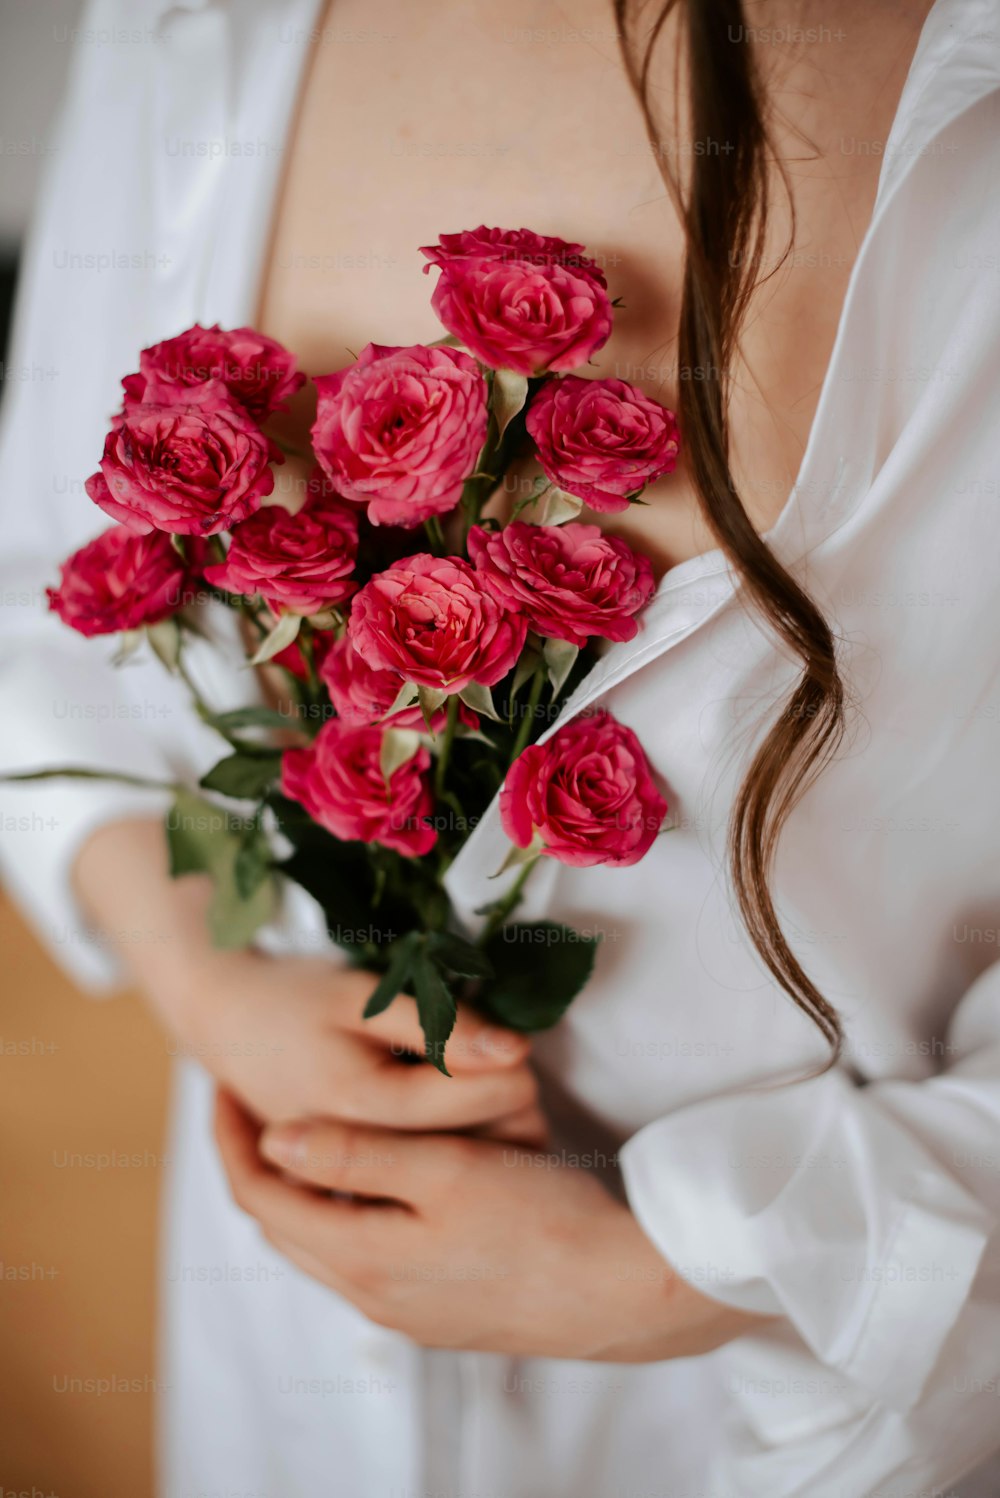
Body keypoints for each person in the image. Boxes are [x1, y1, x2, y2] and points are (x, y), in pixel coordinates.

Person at [2, 0, 1000, 1493]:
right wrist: (210, 974)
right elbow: (35, 596)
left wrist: (682, 1274)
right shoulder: (189, 24)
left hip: (828, 1385)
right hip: (297, 1345)